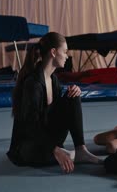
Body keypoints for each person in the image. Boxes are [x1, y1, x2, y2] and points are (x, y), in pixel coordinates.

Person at [7, 32, 102, 174]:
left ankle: (80, 149)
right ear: (53, 52)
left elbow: (56, 114)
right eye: (64, 52)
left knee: (73, 96)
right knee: (42, 155)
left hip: (48, 138)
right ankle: (60, 153)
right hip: (29, 144)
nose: (67, 56)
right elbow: (31, 127)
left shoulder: (53, 80)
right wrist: (55, 149)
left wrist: (74, 92)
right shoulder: (33, 84)